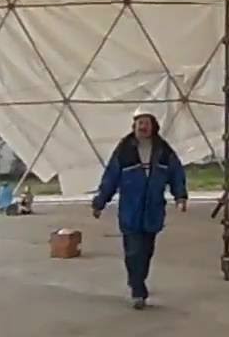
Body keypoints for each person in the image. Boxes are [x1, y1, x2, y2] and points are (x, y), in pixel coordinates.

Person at [91, 106, 188, 310]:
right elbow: (111, 177)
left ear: (154, 126)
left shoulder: (163, 150)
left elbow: (176, 173)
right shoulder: (124, 151)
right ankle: (138, 289)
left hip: (153, 209)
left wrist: (180, 196)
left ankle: (137, 279)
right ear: (134, 126)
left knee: (147, 251)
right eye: (140, 123)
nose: (143, 126)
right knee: (133, 251)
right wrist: (100, 202)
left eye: (147, 123)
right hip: (130, 209)